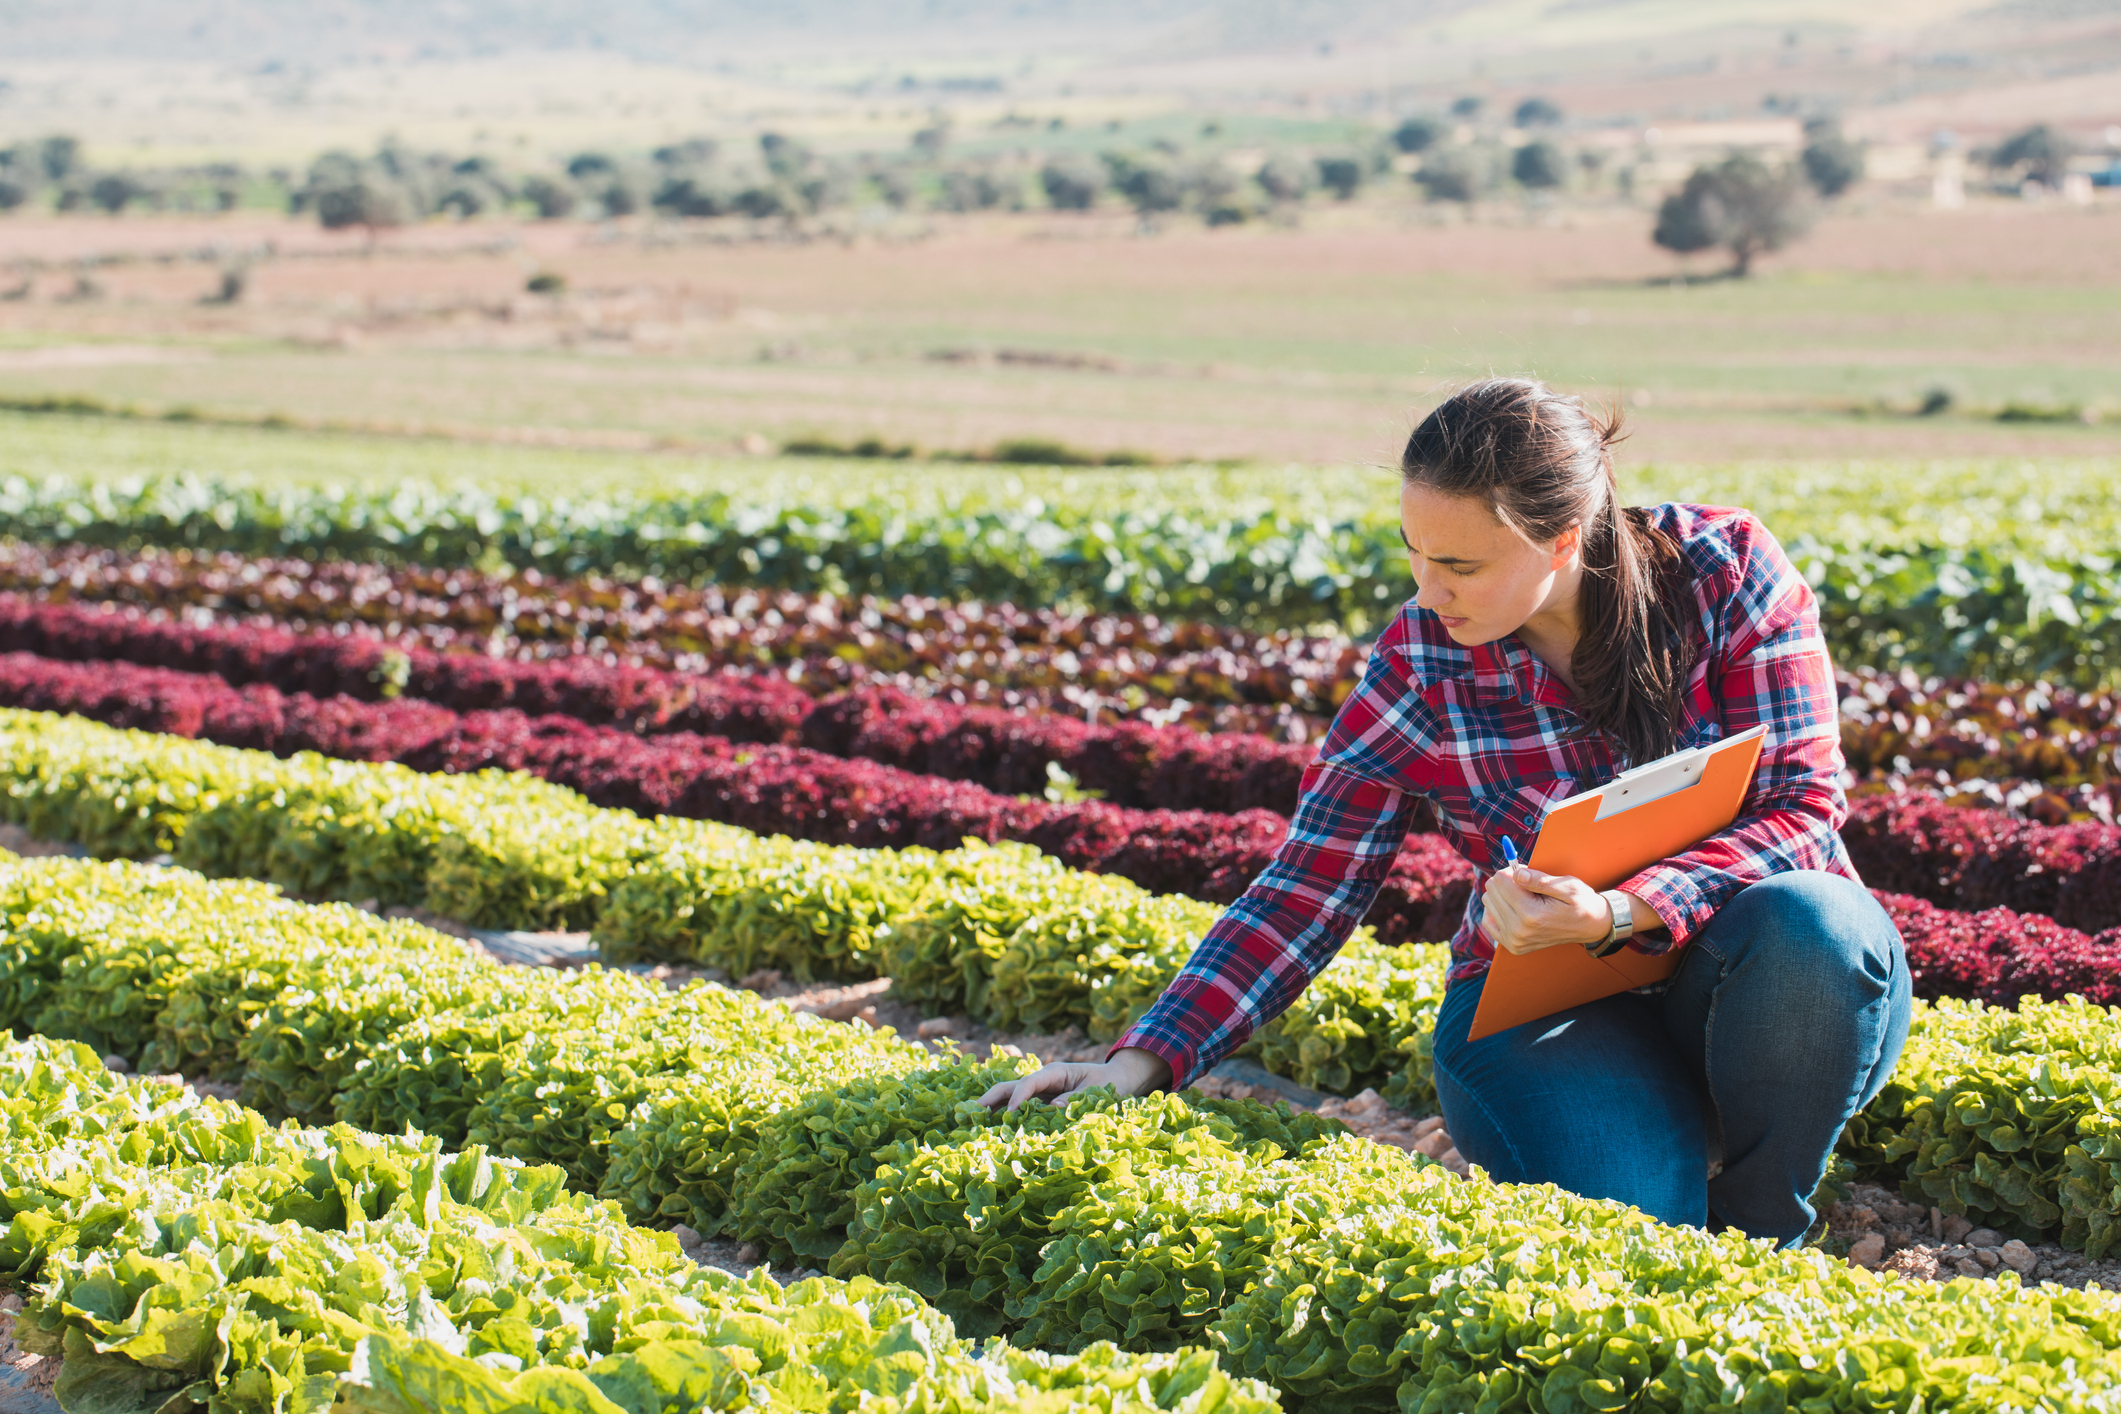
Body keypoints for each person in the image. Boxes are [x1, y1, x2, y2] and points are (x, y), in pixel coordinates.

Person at [981, 376, 1912, 1248]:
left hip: (1764, 983)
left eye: (1460, 563)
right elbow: (1306, 886)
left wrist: (1625, 909)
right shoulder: (1421, 664)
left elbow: (1801, 806)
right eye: (1415, 555)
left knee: (1815, 920)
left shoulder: (1723, 573)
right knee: (1640, 1234)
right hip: (1546, 1012)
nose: (1428, 591)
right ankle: (1650, 1147)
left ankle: (1762, 1226)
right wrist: (1143, 1059)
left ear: (1562, 539)